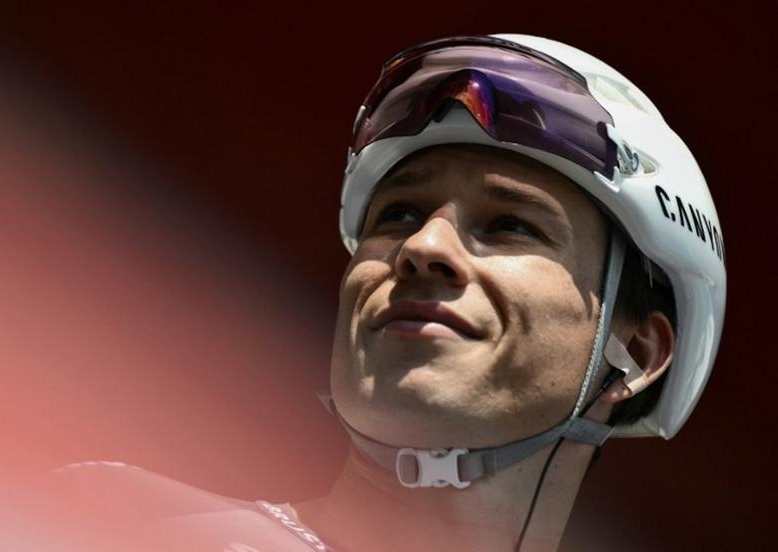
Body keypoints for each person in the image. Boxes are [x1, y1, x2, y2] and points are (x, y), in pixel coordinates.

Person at [50, 33, 726, 552]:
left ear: (636, 350)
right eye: (398, 215)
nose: (423, 249)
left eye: (510, 224)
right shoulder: (106, 526)